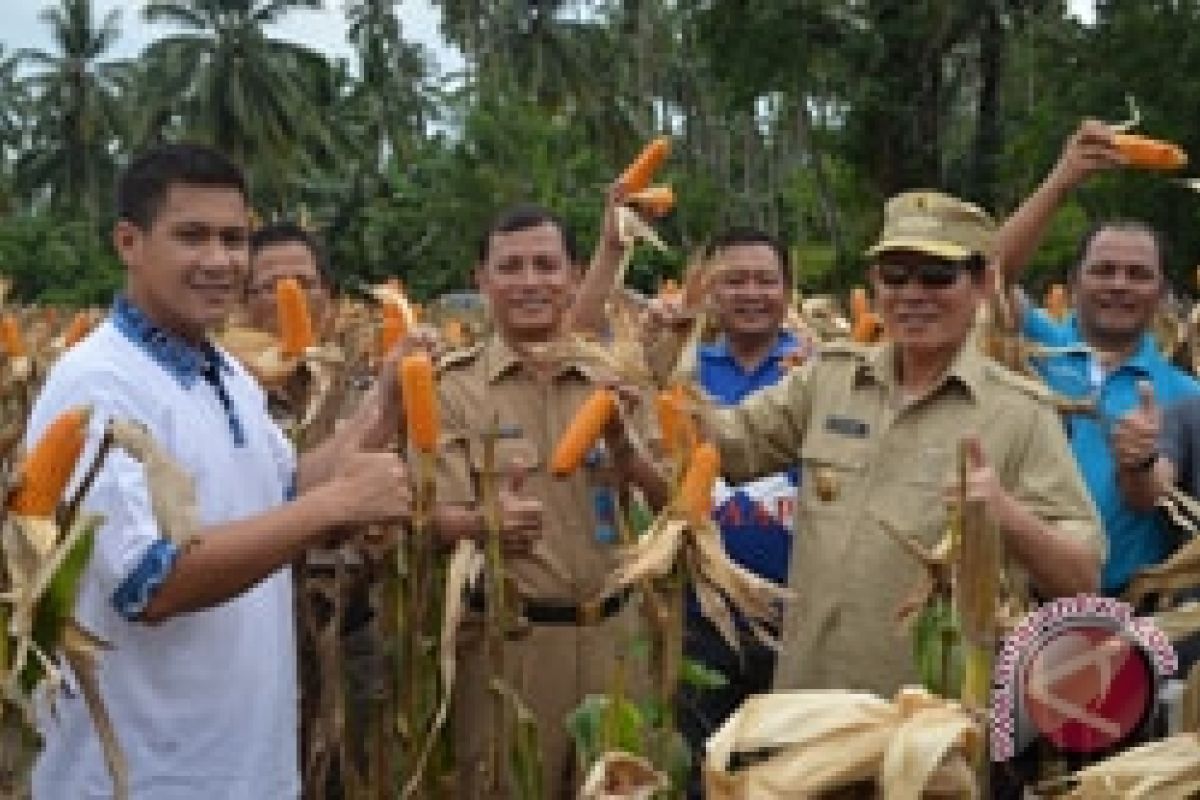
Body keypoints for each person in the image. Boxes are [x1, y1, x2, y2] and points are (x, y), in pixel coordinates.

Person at [26, 143, 411, 799]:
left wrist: (384, 404)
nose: (219, 260)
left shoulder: (223, 371)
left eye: (235, 239)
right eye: (191, 236)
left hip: (245, 764)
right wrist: (337, 506)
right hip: (146, 775)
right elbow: (153, 584)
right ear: (129, 242)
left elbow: (282, 491)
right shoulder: (99, 384)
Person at [699, 190, 1102, 696]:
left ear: (982, 284)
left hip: (931, 732)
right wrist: (651, 377)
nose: (913, 293)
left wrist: (1003, 513)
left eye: (937, 275)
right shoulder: (828, 380)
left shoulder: (1020, 413)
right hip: (807, 707)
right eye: (894, 275)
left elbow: (1081, 577)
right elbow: (718, 445)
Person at [432, 203, 669, 798]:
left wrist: (625, 452)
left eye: (545, 264)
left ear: (573, 273)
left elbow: (679, 501)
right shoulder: (450, 388)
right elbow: (427, 519)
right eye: (510, 267)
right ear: (480, 280)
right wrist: (482, 523)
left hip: (617, 641)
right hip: (511, 651)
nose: (530, 281)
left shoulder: (617, 377)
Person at [991, 119, 1200, 595]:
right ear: (1075, 280)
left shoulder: (1184, 395)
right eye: (1103, 270)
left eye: (1138, 274)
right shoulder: (1028, 347)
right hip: (1015, 606)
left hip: (1127, 615)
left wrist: (1139, 461)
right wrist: (1061, 180)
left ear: (1164, 293)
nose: (1119, 284)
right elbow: (988, 276)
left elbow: (1155, 498)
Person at [673, 228, 802, 789]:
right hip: (702, 618)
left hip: (796, 622)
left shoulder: (816, 373)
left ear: (787, 290)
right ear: (709, 293)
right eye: (734, 280)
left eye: (765, 280)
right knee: (708, 771)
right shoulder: (683, 373)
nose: (751, 293)